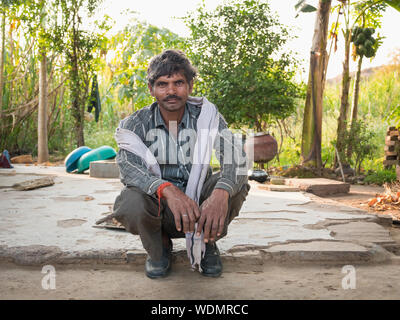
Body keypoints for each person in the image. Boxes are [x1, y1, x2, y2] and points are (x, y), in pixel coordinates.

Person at [112, 49, 250, 279]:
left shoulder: (207, 116)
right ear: (151, 89)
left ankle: (207, 242)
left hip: (199, 208)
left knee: (234, 184)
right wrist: (167, 190)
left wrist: (220, 193)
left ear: (190, 86)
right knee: (129, 201)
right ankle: (159, 247)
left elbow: (236, 158)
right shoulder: (136, 123)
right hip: (161, 209)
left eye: (178, 82)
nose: (171, 91)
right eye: (163, 84)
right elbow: (129, 168)